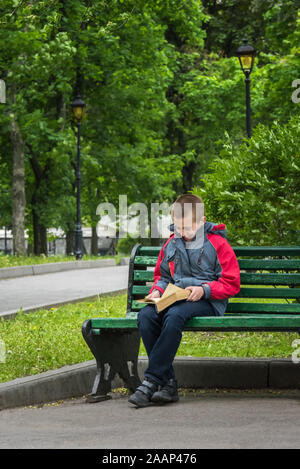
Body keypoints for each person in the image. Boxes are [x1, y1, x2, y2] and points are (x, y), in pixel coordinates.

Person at [128, 193, 240, 408]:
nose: (183, 233)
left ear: (202, 221)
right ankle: (168, 384)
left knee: (174, 316)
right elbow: (162, 277)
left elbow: (231, 282)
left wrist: (205, 289)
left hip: (208, 301)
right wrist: (157, 292)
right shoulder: (171, 244)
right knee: (146, 316)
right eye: (178, 228)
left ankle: (151, 381)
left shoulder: (217, 244)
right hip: (176, 297)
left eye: (188, 228)